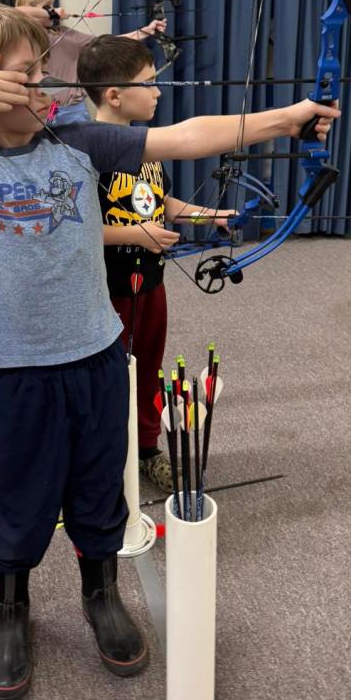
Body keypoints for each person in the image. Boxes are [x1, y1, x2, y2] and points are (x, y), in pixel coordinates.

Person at [0, 1, 338, 700]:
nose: (42, 87)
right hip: (21, 372)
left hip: (101, 356)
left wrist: (284, 119)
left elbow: (187, 137)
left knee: (102, 488)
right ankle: (9, 606)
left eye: (41, 71)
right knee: (20, 499)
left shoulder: (79, 143)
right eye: (19, 76)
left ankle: (100, 593)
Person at [78, 35, 234, 491]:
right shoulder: (86, 152)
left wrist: (211, 214)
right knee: (107, 379)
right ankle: (101, 463)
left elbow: (157, 200)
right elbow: (75, 228)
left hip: (151, 284)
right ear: (114, 95)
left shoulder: (143, 147)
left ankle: (146, 449)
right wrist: (135, 234)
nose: (158, 91)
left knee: (148, 367)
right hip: (105, 291)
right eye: (148, 83)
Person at [14, 0, 166, 125]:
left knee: (81, 148)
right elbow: (17, 12)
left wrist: (146, 31)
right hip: (49, 108)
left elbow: (106, 43)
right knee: (51, 144)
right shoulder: (22, 34)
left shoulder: (63, 33)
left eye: (52, 6)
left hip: (74, 108)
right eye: (46, 7)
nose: (52, 11)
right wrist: (50, 12)